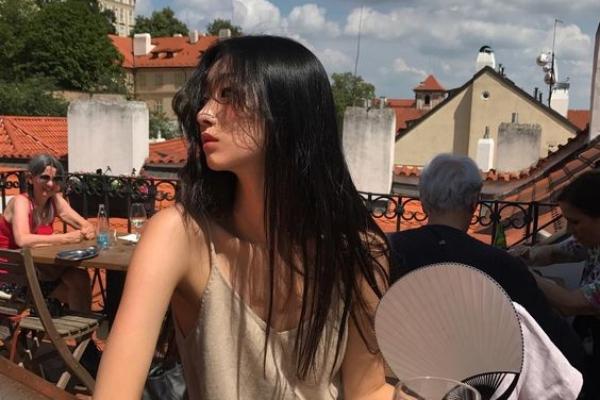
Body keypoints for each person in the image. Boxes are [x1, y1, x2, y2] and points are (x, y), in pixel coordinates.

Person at [94, 36, 393, 400]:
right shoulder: (180, 236)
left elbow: (369, 389)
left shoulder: (358, 253)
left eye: (229, 95)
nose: (204, 113)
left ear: (287, 112)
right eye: (207, 96)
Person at [388, 154, 586, 375]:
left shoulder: (385, 252)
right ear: (474, 203)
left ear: (423, 201)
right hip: (479, 382)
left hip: (398, 375)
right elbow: (561, 346)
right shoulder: (502, 266)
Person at [510, 170, 600, 397]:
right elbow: (557, 251)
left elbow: (570, 303)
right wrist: (528, 254)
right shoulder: (592, 240)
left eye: (575, 222)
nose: (569, 230)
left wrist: (522, 273)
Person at [0, 153, 95, 311]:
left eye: (56, 179)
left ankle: (83, 327)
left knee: (80, 278)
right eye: (44, 178)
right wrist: (65, 238)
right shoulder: (21, 202)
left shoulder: (54, 200)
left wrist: (88, 229)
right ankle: (72, 322)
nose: (51, 184)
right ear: (30, 179)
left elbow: (84, 224)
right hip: (11, 277)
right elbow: (22, 240)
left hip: (36, 269)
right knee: (76, 291)